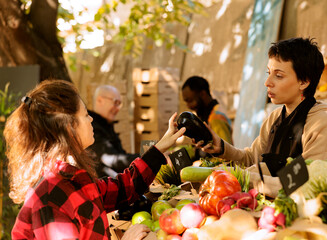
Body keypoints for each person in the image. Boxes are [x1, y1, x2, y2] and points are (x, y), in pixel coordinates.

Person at [5, 80, 185, 239]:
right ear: (69, 127)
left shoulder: (73, 179)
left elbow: (123, 188)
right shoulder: (51, 198)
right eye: (85, 115)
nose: (91, 118)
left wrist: (160, 147)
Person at [195, 37, 327, 175]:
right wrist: (222, 148)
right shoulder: (275, 117)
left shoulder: (325, 122)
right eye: (268, 73)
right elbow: (251, 158)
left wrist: (254, 175)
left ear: (304, 82)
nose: (267, 82)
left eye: (279, 76)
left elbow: (308, 179)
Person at [87, 85, 139, 178]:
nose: (118, 108)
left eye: (119, 104)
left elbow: (121, 156)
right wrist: (147, 157)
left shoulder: (106, 124)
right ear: (100, 100)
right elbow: (112, 160)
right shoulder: (92, 127)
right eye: (115, 102)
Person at [182, 76, 233, 145]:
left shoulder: (216, 118)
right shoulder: (207, 114)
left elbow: (225, 153)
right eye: (186, 102)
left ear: (203, 94)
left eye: (190, 101)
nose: (188, 106)